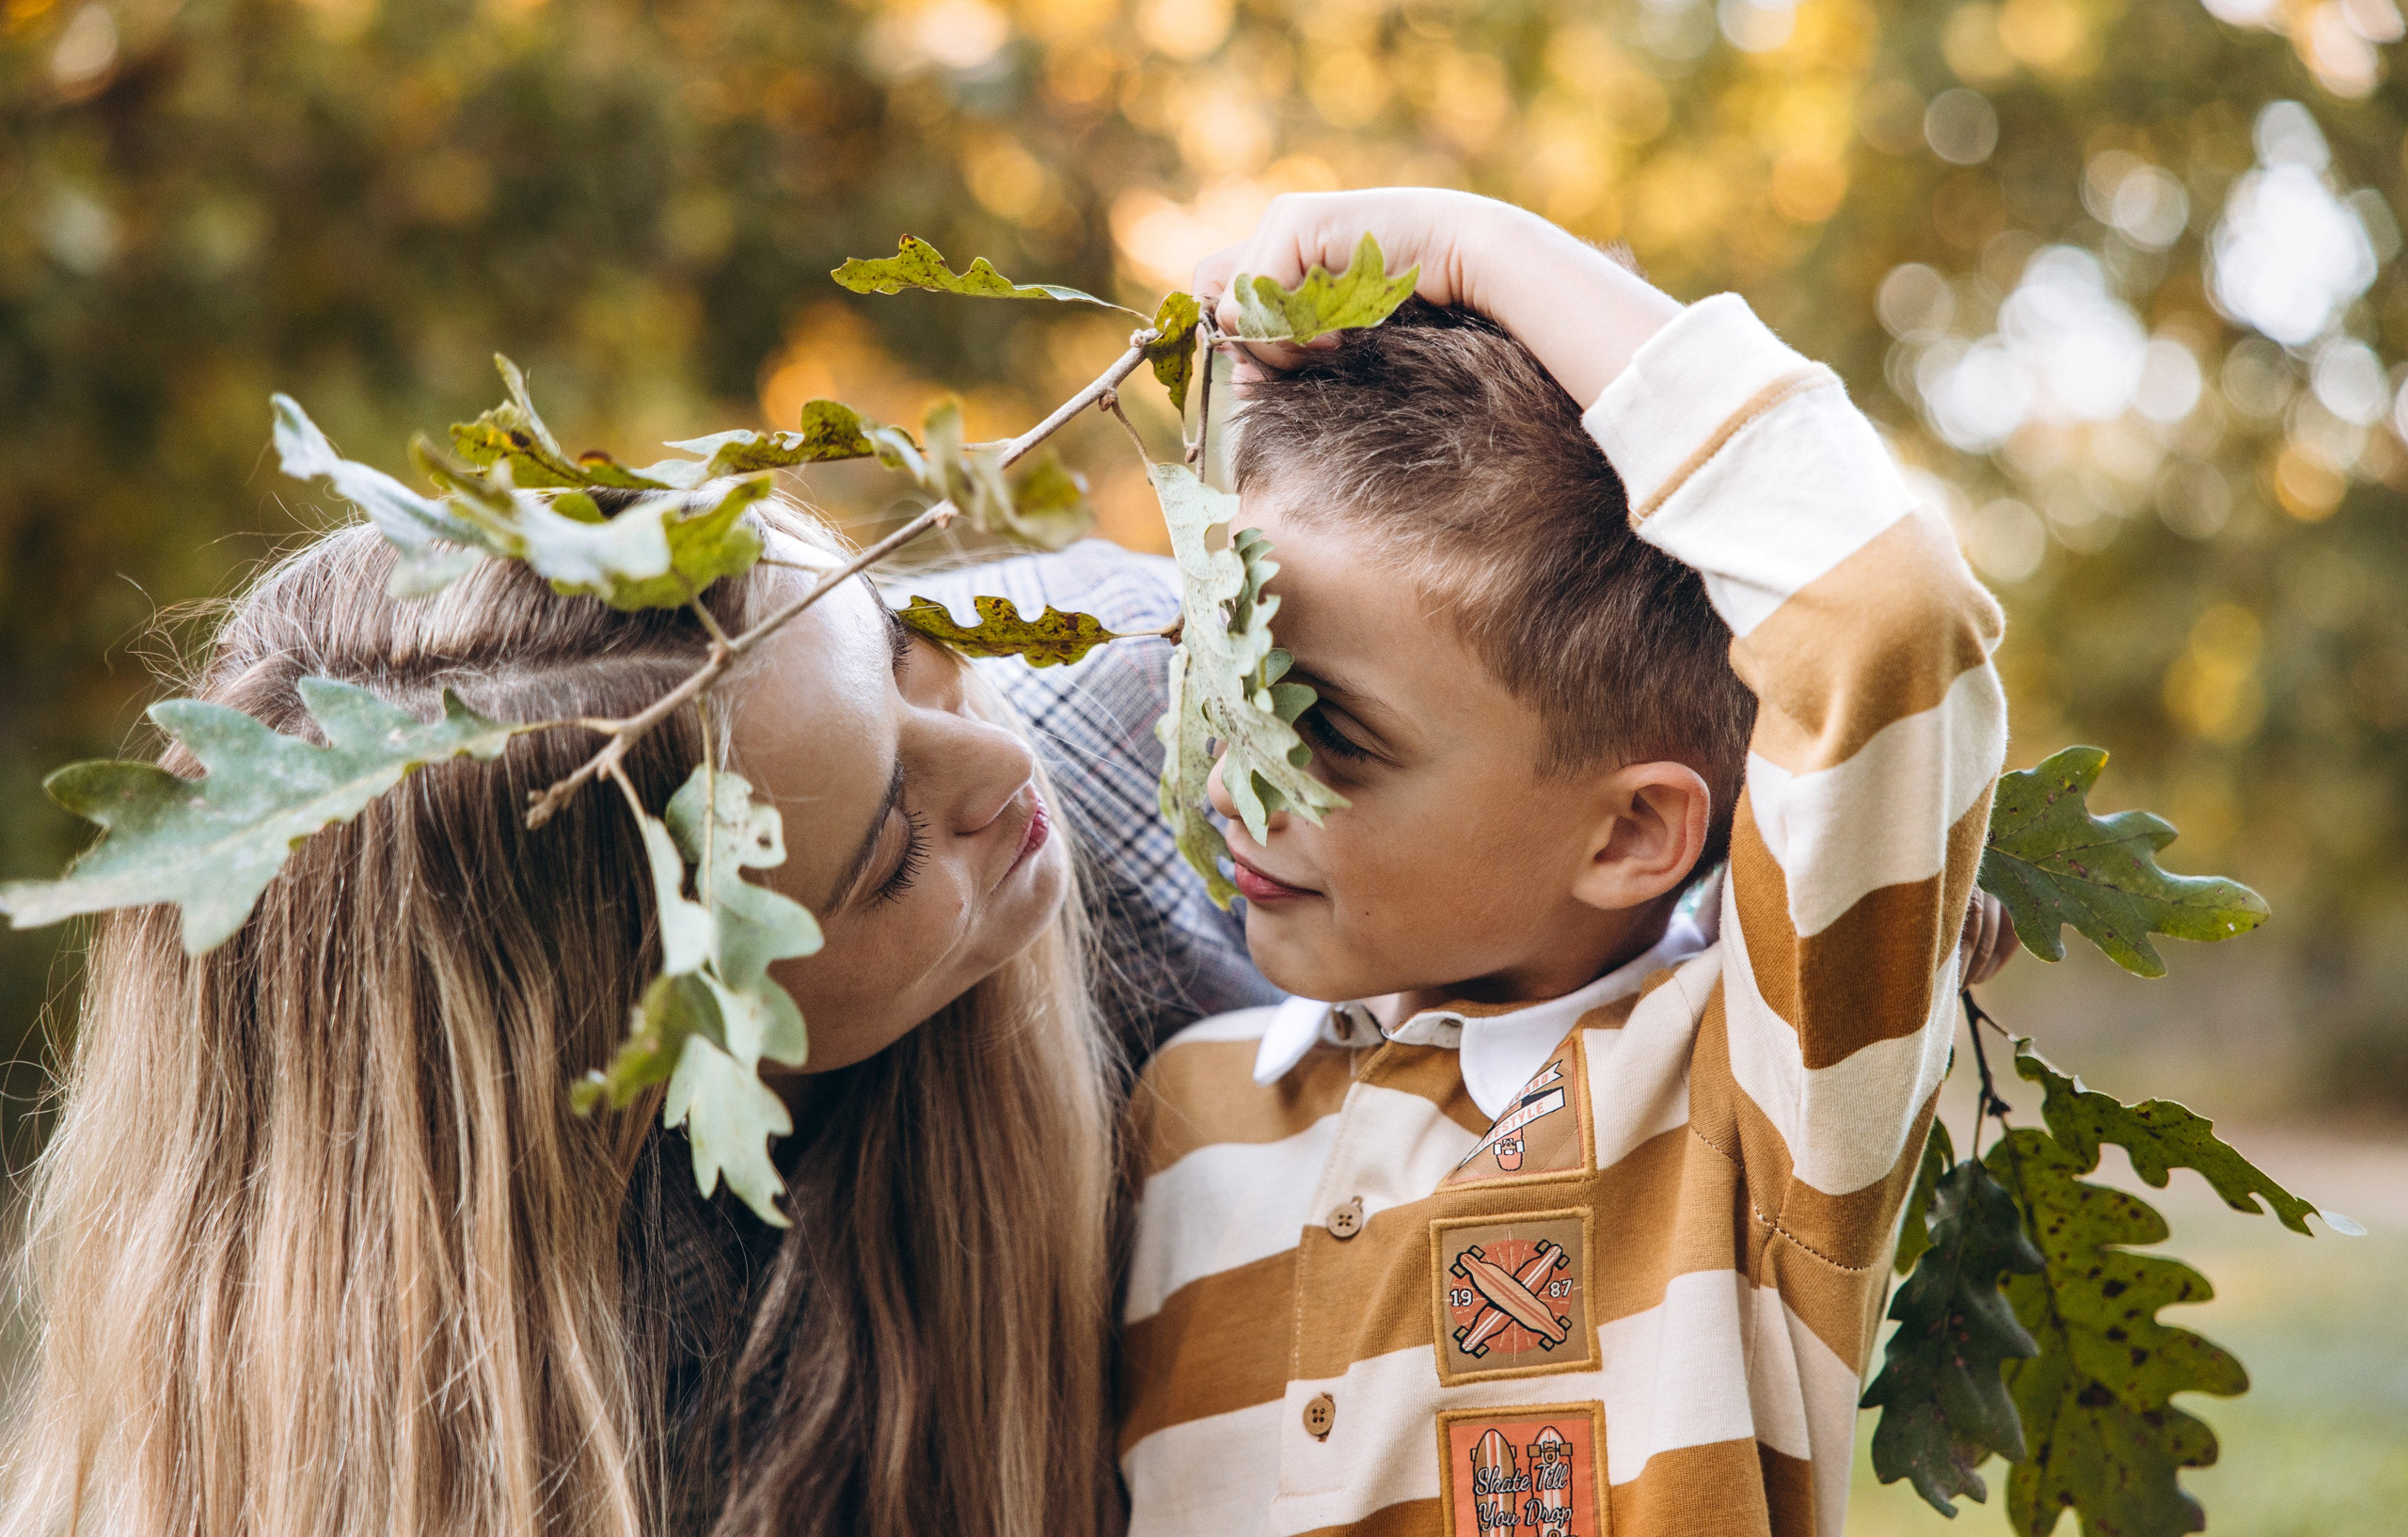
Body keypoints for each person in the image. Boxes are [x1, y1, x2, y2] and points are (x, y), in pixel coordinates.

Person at [0, 494, 1255, 1537]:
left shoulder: (1175, 706)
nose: (1002, 766)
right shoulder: (541, 1436)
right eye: (889, 858)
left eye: (897, 644)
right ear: (660, 1062)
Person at [1116, 189, 2015, 1537]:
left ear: (1630, 835)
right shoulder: (1172, 1113)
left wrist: (1480, 246)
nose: (1233, 778)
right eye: (1225, 682)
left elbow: (1883, 614)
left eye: (1326, 732)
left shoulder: (1749, 1105)